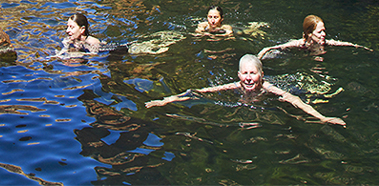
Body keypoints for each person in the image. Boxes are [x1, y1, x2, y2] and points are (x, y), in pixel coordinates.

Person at [145, 53, 345, 126]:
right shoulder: (233, 86)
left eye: (253, 73)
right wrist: (165, 100)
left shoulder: (269, 88)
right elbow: (197, 91)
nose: (249, 78)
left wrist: (322, 118)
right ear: (239, 75)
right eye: (245, 74)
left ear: (261, 75)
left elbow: (295, 100)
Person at [257, 14, 379, 60]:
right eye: (319, 32)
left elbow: (350, 45)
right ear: (309, 34)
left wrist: (378, 53)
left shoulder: (328, 43)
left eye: (324, 31)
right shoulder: (300, 44)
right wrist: (260, 57)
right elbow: (272, 47)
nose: (324, 35)